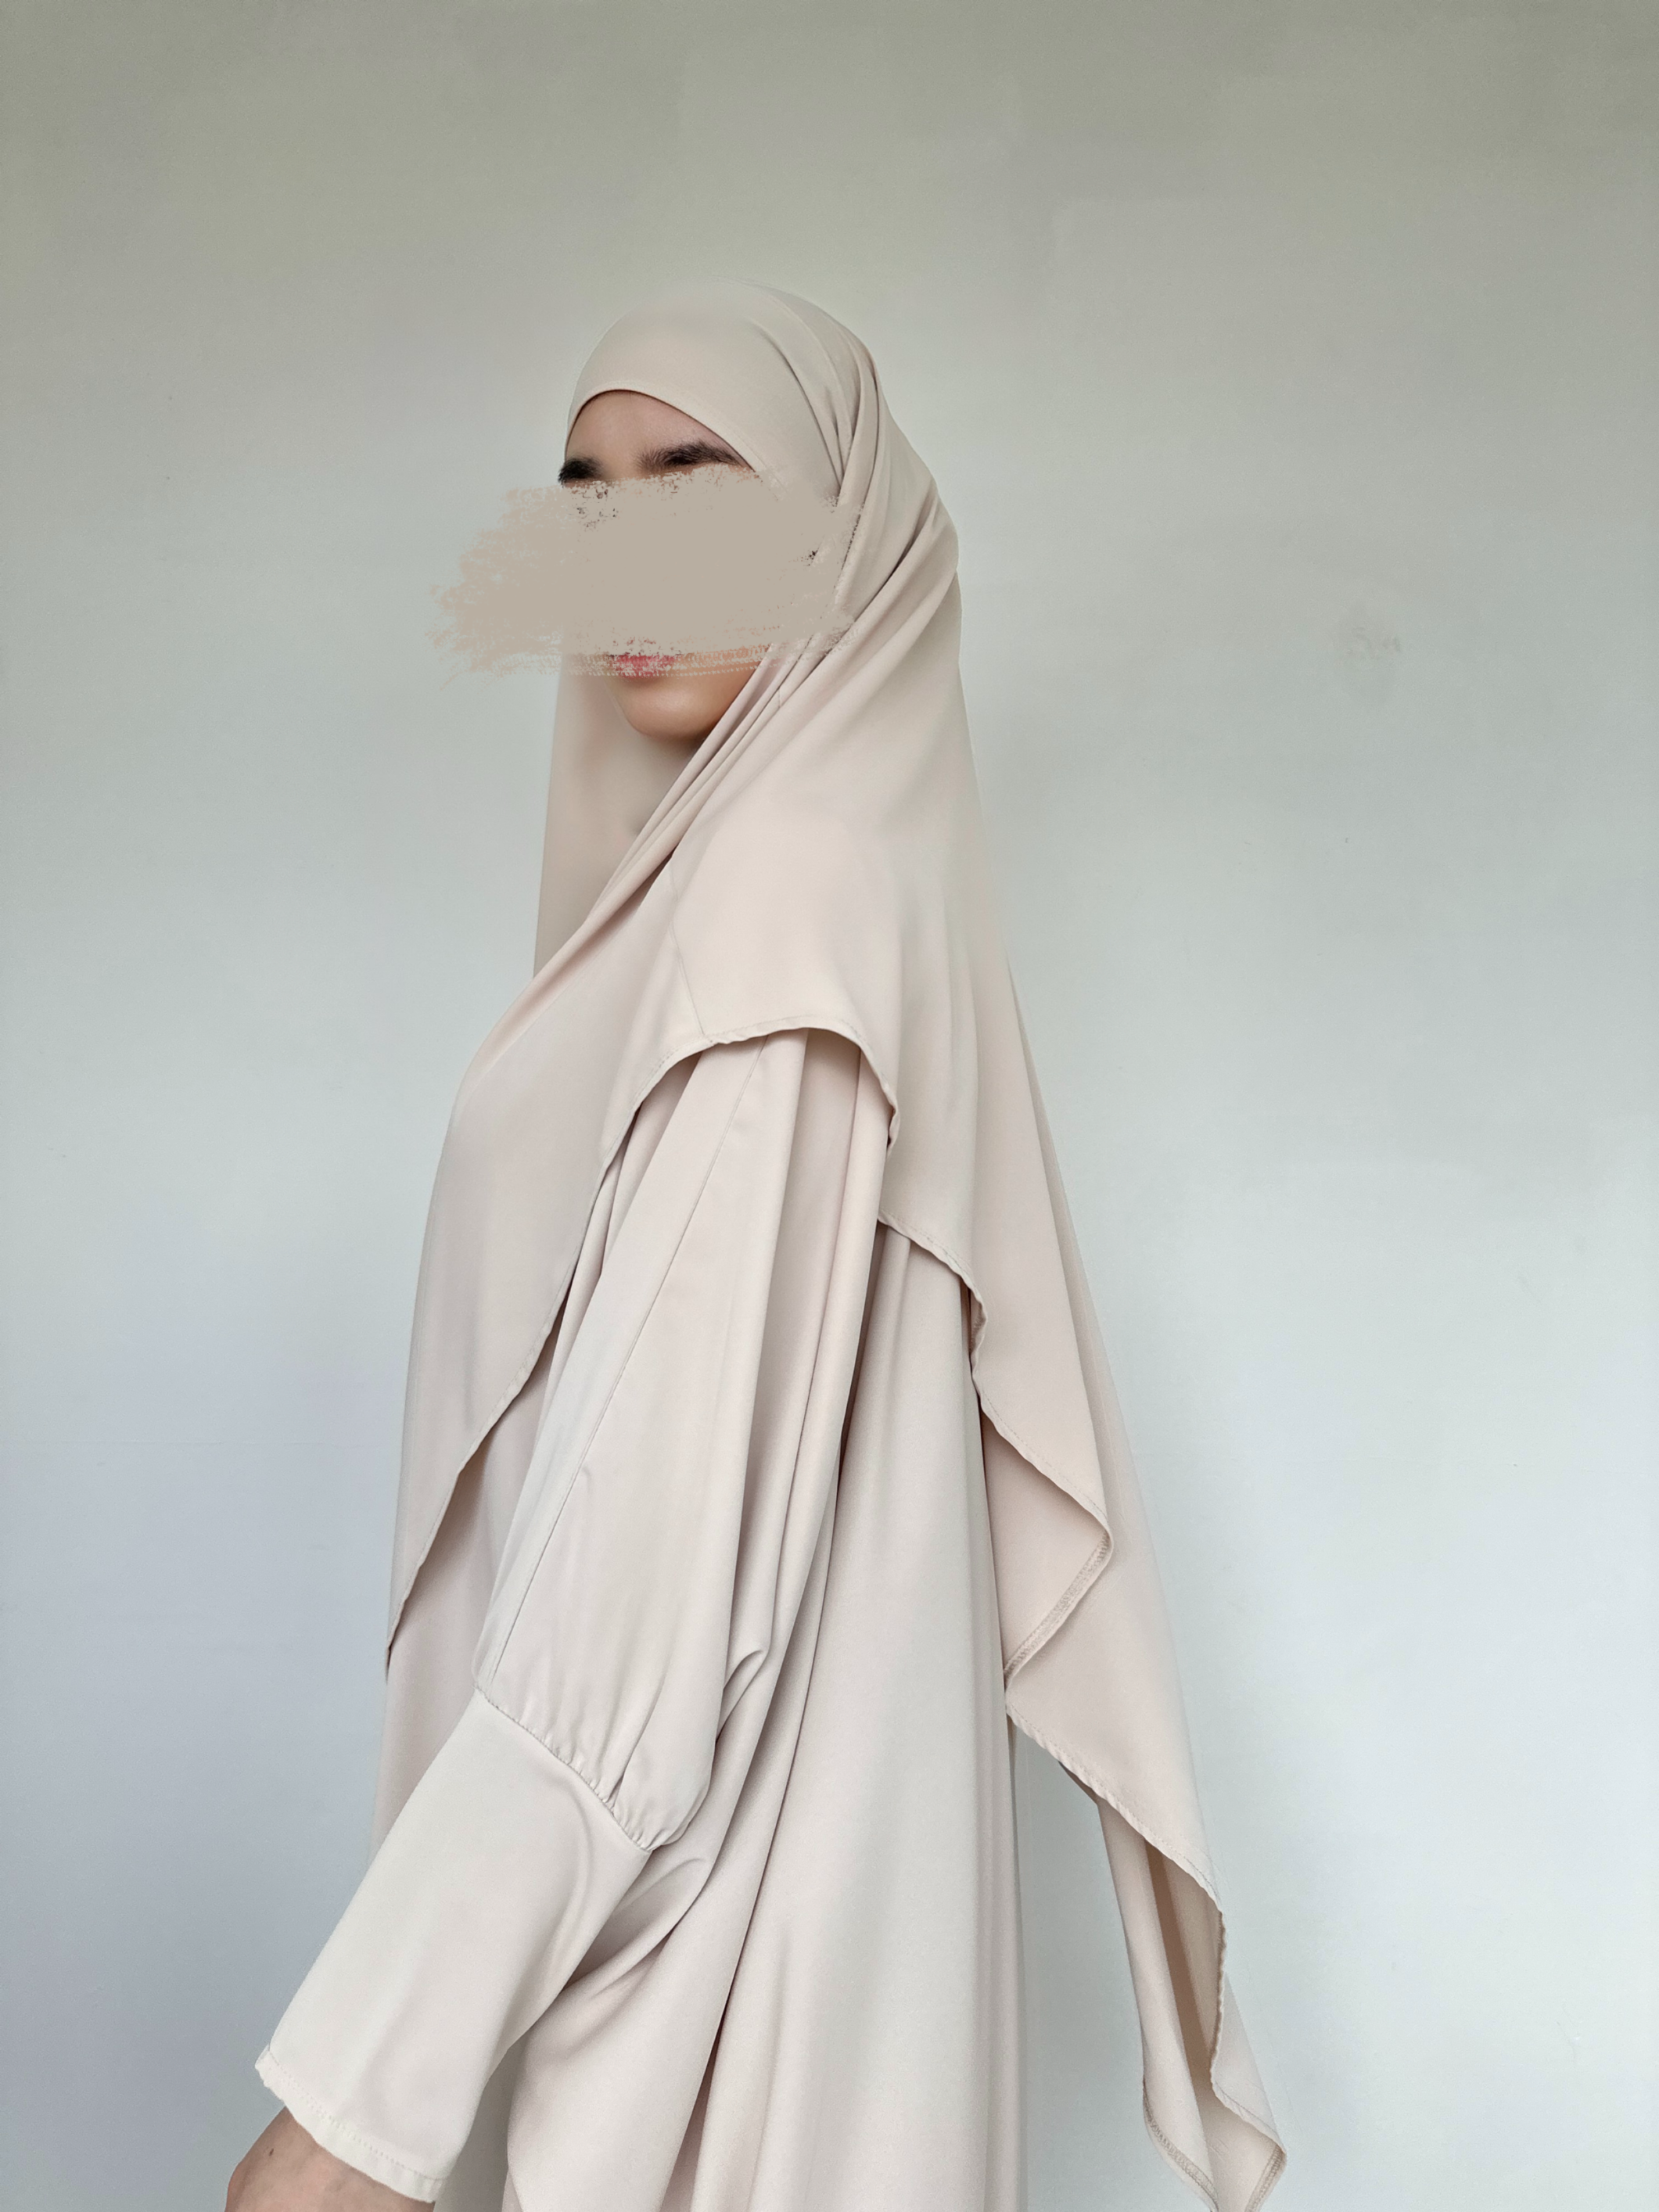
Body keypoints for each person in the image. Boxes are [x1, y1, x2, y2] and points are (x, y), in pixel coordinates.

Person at [226, 284, 1285, 2212]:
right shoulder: (820, 891)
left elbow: (632, 1595)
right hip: (800, 1964)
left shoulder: (781, 919)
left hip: (709, 2016)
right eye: (588, 497)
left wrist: (349, 2122)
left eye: (699, 484)